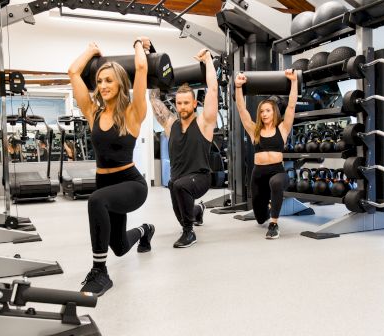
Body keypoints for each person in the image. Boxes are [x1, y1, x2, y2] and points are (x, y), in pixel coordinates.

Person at [68, 37, 155, 296]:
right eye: (99, 81)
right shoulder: (92, 112)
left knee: (96, 201)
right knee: (118, 245)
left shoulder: (133, 112)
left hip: (131, 184)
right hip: (105, 183)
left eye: (109, 80)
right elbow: (73, 71)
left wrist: (139, 43)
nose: (103, 86)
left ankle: (100, 272)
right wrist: (90, 51)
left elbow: (141, 68)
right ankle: (145, 230)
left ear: (120, 83)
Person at [149, 48, 218, 248]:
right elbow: (154, 99)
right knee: (177, 190)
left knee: (180, 187)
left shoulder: (204, 123)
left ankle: (189, 233)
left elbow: (213, 90)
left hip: (201, 177)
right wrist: (154, 60)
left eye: (187, 103)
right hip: (178, 181)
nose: (182, 107)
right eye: (179, 103)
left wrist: (208, 60)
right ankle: (198, 211)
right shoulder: (171, 124)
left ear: (195, 103)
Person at [234, 69, 298, 239]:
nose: (264, 114)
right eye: (262, 111)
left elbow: (291, 106)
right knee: (260, 217)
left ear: (274, 112)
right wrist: (238, 87)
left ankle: (274, 224)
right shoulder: (255, 130)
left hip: (277, 171)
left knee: (276, 184)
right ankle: (268, 212)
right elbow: (241, 110)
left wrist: (294, 82)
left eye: (268, 110)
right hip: (258, 174)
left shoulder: (283, 129)